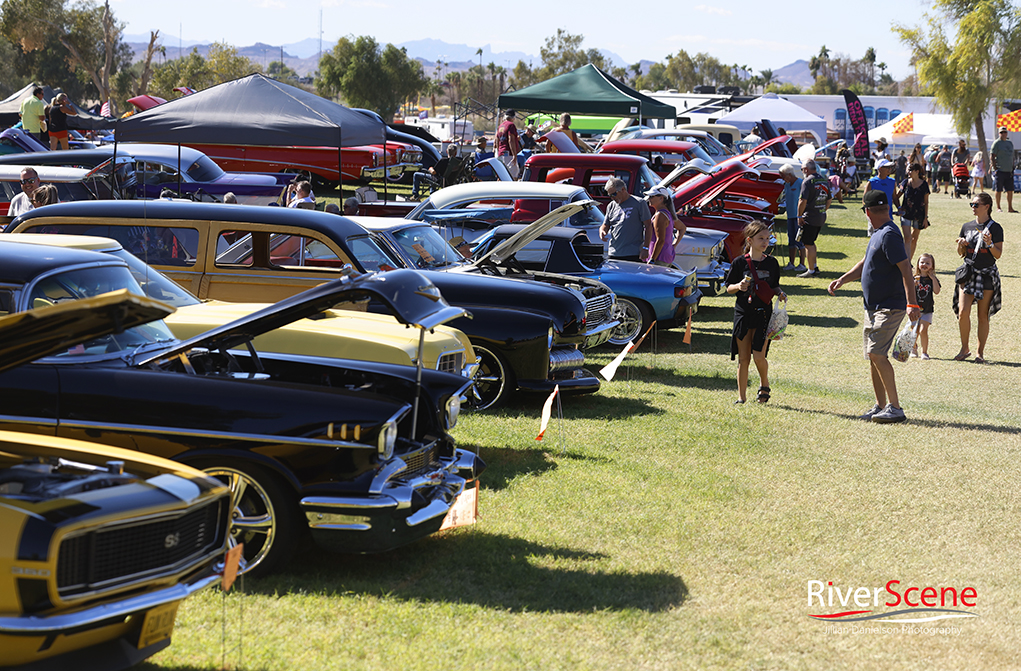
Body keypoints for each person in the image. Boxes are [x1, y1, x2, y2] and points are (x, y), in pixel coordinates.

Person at [827, 189, 920, 424]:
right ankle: (880, 405)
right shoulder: (879, 232)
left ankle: (895, 408)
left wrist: (912, 303)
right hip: (874, 306)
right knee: (873, 355)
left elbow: (906, 269)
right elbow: (866, 262)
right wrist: (843, 279)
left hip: (889, 306)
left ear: (867, 211)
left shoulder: (889, 234)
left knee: (878, 354)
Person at [725, 221, 785, 404]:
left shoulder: (772, 263)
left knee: (759, 356)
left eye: (767, 238)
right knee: (744, 358)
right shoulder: (739, 262)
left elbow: (773, 285)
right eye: (761, 238)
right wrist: (738, 286)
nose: (765, 242)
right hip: (743, 313)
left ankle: (764, 384)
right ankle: (741, 398)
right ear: (749, 240)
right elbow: (728, 287)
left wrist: (780, 293)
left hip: (764, 314)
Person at [953, 192, 1003, 363]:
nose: (973, 208)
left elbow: (997, 254)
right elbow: (962, 254)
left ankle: (979, 353)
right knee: (963, 312)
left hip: (987, 274)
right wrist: (961, 246)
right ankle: (964, 348)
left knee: (983, 315)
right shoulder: (966, 226)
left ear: (986, 207)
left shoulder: (995, 228)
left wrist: (989, 244)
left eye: (976, 205)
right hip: (969, 273)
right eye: (972, 205)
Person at [599, 177, 652, 262]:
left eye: (614, 194)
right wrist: (602, 231)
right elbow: (605, 225)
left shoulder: (639, 203)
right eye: (610, 195)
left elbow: (648, 226)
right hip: (614, 253)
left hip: (633, 254)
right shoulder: (611, 205)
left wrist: (646, 248)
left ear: (623, 189)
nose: (612, 198)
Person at [796, 159, 831, 278]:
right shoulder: (823, 179)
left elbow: (802, 200)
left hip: (809, 217)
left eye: (802, 169)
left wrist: (799, 216)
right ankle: (814, 266)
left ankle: (811, 271)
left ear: (806, 169)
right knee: (811, 242)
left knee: (808, 244)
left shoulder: (807, 181)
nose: (802, 172)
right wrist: (822, 209)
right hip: (820, 217)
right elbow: (829, 199)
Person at [894, 163, 929, 260]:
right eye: (907, 170)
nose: (908, 172)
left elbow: (926, 203)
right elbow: (896, 197)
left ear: (917, 171)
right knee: (908, 238)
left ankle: (909, 259)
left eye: (910, 170)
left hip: (919, 215)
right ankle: (906, 262)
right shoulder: (905, 183)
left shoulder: (924, 185)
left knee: (914, 239)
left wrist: (926, 218)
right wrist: (899, 208)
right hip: (906, 214)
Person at [778, 163, 806, 272]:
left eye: (783, 176)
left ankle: (802, 264)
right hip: (790, 216)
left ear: (789, 175)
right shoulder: (786, 184)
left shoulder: (800, 183)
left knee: (800, 240)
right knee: (791, 240)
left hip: (798, 216)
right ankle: (791, 263)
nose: (783, 179)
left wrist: (802, 215)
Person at [644, 185, 681, 266]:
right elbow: (682, 228)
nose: (649, 199)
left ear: (661, 198)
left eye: (651, 196)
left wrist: (652, 260)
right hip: (665, 257)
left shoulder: (660, 215)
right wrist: (673, 245)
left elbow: (660, 240)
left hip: (659, 259)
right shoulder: (667, 213)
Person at [912, 253, 940, 360]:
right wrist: (913, 284)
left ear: (932, 266)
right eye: (922, 262)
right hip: (915, 309)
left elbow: (937, 291)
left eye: (928, 263)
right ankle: (914, 348)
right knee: (914, 329)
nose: (924, 264)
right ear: (918, 264)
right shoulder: (914, 278)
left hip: (927, 310)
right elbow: (906, 293)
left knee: (923, 330)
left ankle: (924, 352)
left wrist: (933, 278)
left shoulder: (932, 279)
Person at [863, 158, 897, 233]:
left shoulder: (892, 182)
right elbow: (865, 199)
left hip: (888, 216)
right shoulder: (871, 182)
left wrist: (899, 207)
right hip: (874, 216)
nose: (890, 169)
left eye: (890, 167)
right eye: (887, 167)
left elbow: (894, 197)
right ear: (880, 168)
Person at [990, 126, 1016, 213]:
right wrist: (995, 168)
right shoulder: (996, 143)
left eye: (1004, 132)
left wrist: (1013, 165)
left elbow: (1012, 156)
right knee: (999, 189)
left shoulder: (1009, 143)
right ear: (999, 133)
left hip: (1009, 170)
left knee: (1010, 190)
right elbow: (992, 156)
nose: (1003, 134)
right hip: (1000, 170)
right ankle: (998, 207)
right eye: (1001, 132)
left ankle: (1010, 208)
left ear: (1007, 133)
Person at [495, 109, 522, 179]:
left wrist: (499, 151)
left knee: (501, 175)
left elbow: (497, 139)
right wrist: (514, 155)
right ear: (513, 117)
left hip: (501, 153)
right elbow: (511, 140)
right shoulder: (511, 125)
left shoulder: (501, 126)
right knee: (513, 176)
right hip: (509, 154)